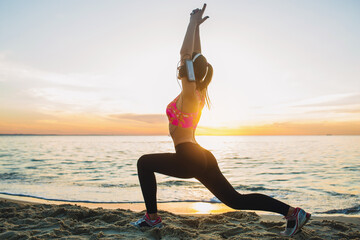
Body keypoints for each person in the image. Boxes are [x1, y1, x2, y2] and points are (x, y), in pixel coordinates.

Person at [131, 4, 311, 237]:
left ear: (190, 72)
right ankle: (292, 212)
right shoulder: (198, 93)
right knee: (235, 200)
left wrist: (191, 23)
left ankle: (152, 219)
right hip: (200, 155)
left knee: (144, 163)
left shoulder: (189, 93)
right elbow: (196, 57)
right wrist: (197, 29)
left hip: (189, 155)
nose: (181, 67)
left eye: (186, 67)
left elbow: (186, 55)